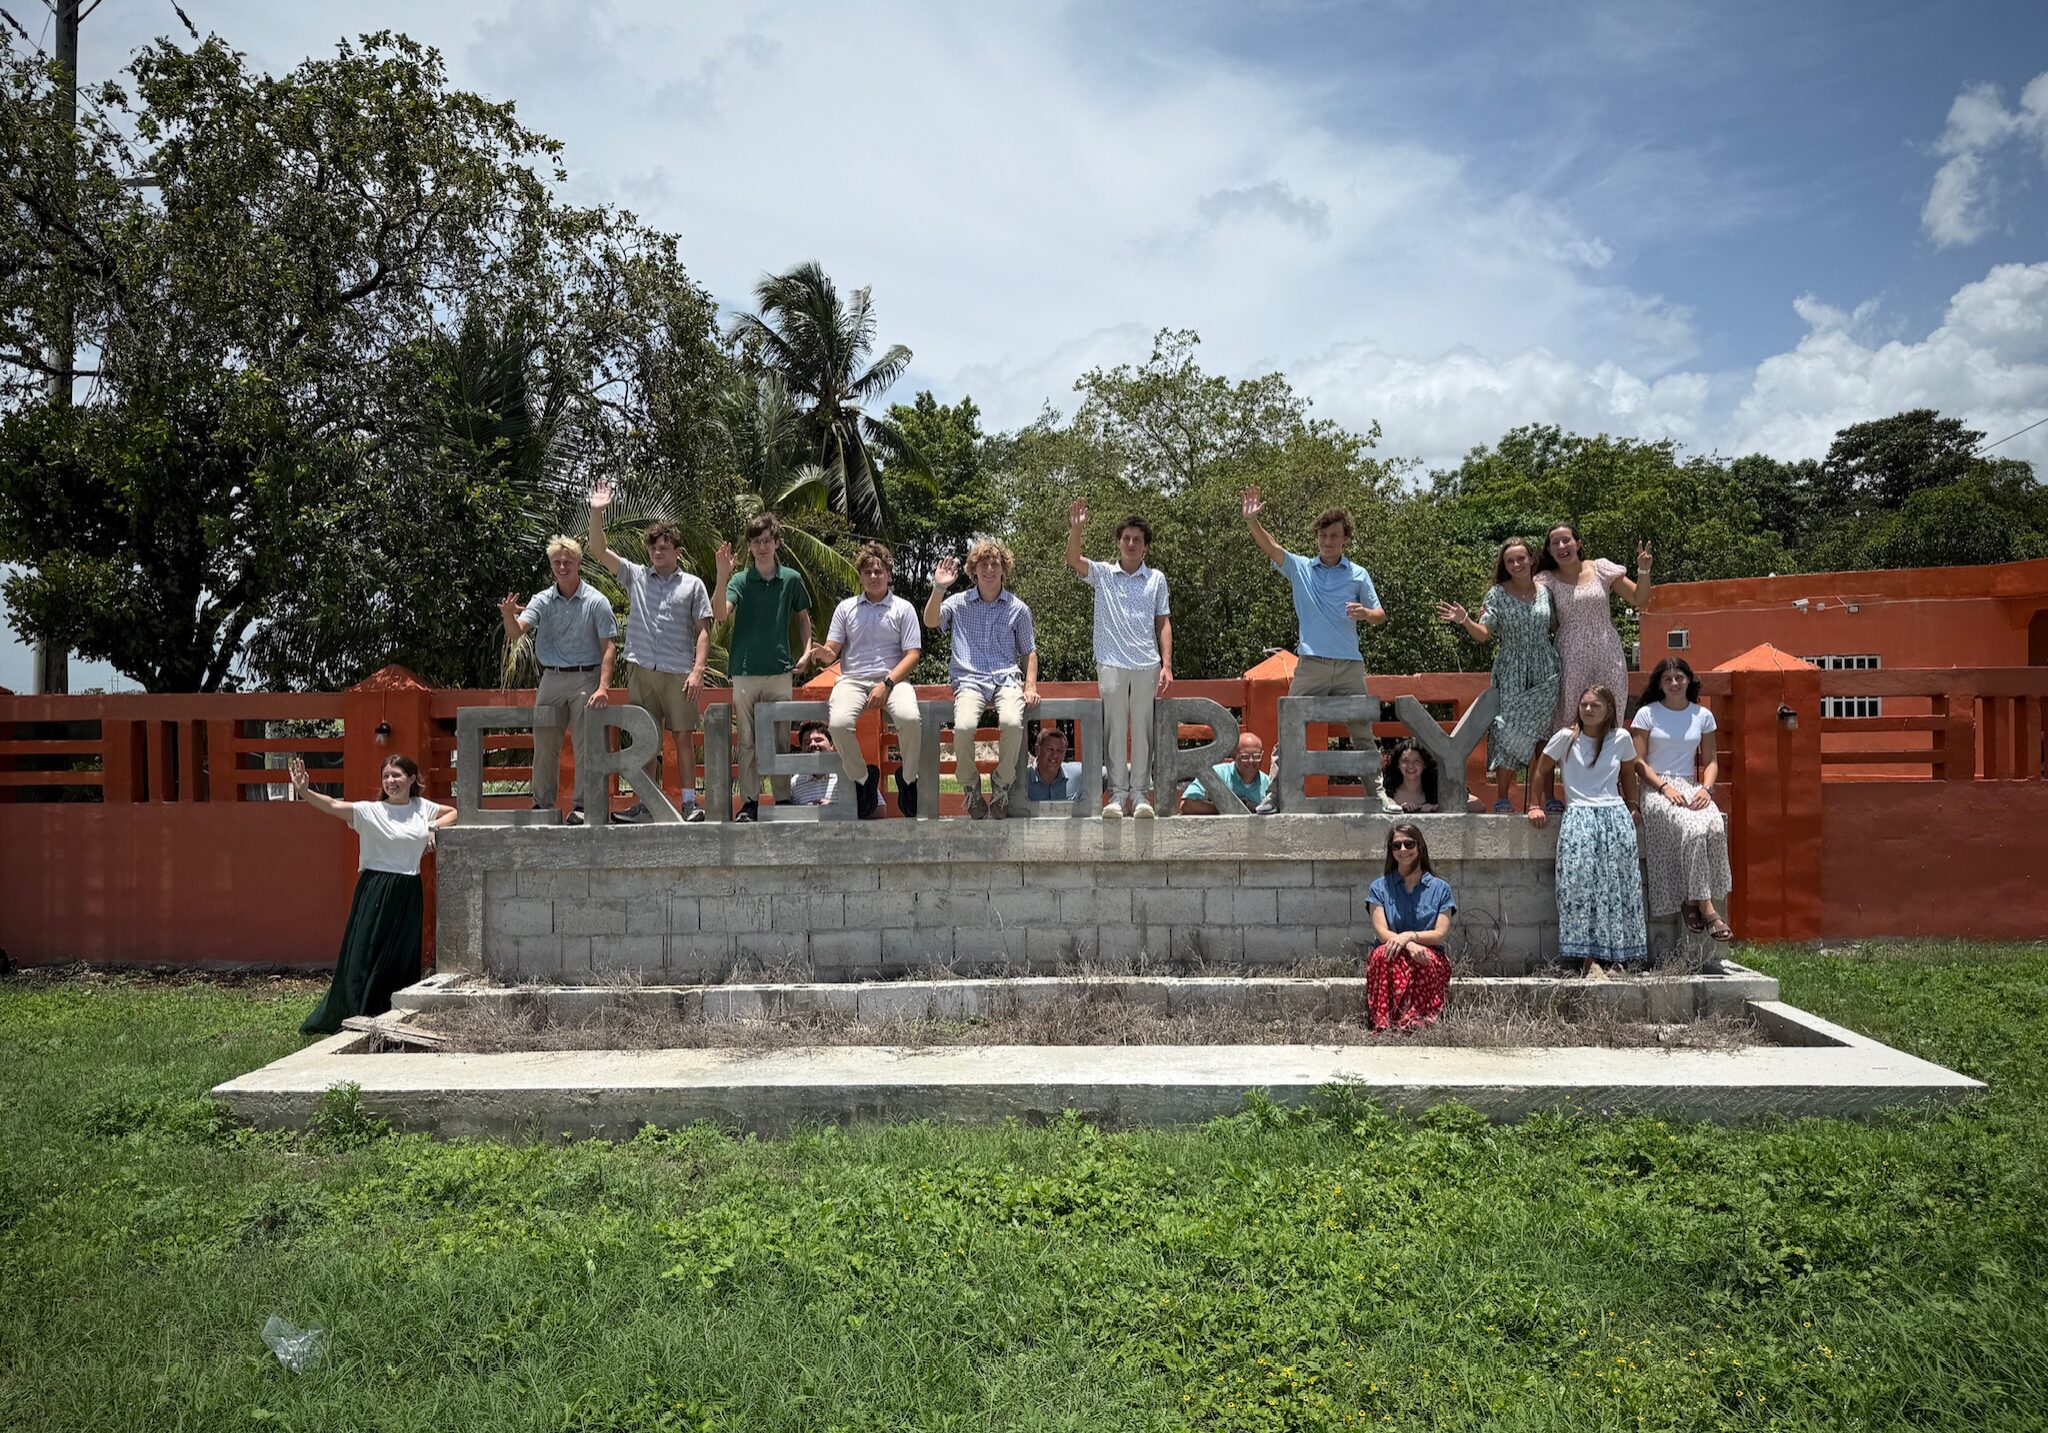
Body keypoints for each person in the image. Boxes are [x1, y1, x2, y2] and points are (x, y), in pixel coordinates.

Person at [291, 754, 456, 1035]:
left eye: (397, 775)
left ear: (412, 779)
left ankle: (394, 1013)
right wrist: (304, 791)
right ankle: (357, 1011)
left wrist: (434, 828)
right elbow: (332, 805)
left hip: (408, 890)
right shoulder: (370, 811)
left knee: (402, 954)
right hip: (375, 887)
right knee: (365, 952)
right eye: (386, 777)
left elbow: (453, 811)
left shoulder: (421, 807)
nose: (391, 782)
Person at [586, 480, 711, 823]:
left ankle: (690, 803)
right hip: (641, 668)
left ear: (678, 552)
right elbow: (598, 549)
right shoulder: (636, 576)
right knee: (645, 740)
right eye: (654, 546)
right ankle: (646, 806)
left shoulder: (693, 585)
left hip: (679, 672)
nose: (658, 551)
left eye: (666, 546)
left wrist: (698, 670)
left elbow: (704, 630)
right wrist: (597, 512)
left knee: (683, 738)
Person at [1242, 488, 1384, 748]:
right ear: (1316, 537)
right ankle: (1276, 790)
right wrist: (1252, 521)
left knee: (1363, 733)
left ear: (1345, 539)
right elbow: (1272, 548)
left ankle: (1376, 790)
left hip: (1349, 666)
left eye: (1334, 536)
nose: (1327, 541)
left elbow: (1379, 615)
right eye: (1323, 535)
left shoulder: (1358, 574)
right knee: (1290, 729)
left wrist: (1365, 613)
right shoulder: (1300, 568)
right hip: (1311, 664)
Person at [1528, 685, 1648, 977]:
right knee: (1579, 886)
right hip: (1579, 815)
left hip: (1614, 816)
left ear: (1608, 709)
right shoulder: (1565, 738)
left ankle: (1617, 957)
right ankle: (1588, 959)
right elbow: (1541, 769)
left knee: (1616, 888)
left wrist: (1633, 806)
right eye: (1584, 705)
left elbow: (1628, 773)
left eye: (1595, 705)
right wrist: (1534, 804)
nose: (1588, 710)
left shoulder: (1620, 738)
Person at [1436, 536, 1560, 813]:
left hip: (1545, 667)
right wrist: (1465, 620)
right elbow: (1484, 634)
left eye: (1521, 558)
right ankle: (1503, 796)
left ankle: (1547, 798)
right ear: (1504, 565)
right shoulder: (1497, 594)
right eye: (1510, 560)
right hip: (1511, 667)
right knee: (1508, 730)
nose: (1516, 564)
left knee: (1544, 735)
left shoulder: (1547, 591)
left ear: (1531, 559)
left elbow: (1558, 625)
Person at [1533, 523, 1652, 811]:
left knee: (1609, 722)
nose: (1561, 547)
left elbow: (1640, 599)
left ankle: (1618, 798)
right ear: (1549, 550)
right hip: (1570, 656)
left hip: (1606, 652)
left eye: (1566, 540)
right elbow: (1523, 597)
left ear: (1578, 543)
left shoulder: (1601, 569)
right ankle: (1555, 799)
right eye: (1554, 543)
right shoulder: (1546, 580)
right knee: (1569, 725)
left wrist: (1644, 569)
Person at [1065, 497, 1172, 818]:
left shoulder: (1156, 579)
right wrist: (1077, 529)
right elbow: (1072, 558)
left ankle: (1140, 796)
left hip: (1146, 664)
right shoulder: (1103, 574)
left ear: (1145, 548)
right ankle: (1116, 796)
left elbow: (1163, 622)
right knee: (1113, 729)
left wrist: (1167, 664)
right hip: (1110, 661)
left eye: (1137, 540)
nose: (1130, 543)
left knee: (1143, 731)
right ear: (1118, 543)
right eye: (1125, 538)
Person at [498, 536, 617, 825]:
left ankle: (583, 806)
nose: (562, 566)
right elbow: (517, 632)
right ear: (551, 565)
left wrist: (603, 687)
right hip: (551, 677)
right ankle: (542, 805)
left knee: (586, 745)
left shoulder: (596, 601)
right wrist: (507, 616)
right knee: (544, 744)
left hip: (585, 677)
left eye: (568, 561)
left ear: (579, 563)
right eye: (557, 562)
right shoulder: (542, 599)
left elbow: (609, 647)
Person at [924, 539, 1039, 819]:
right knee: (963, 727)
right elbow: (930, 621)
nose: (989, 569)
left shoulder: (1018, 608)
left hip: (1006, 677)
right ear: (973, 571)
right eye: (982, 564)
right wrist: (938, 588)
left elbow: (1029, 651)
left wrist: (1031, 685)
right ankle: (970, 785)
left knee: (1013, 722)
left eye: (995, 564)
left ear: (1004, 570)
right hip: (969, 679)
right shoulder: (958, 602)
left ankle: (1001, 783)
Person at [810, 542, 924, 819]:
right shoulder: (846, 608)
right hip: (852, 679)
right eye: (868, 571)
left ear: (889, 575)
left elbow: (913, 654)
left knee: (910, 719)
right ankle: (863, 778)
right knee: (837, 724)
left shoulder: (903, 608)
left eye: (879, 571)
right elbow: (832, 650)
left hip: (893, 679)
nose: (874, 576)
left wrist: (886, 684)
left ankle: (908, 779)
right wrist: (821, 652)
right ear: (860, 576)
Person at [713, 514, 815, 822]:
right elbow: (719, 614)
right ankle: (750, 802)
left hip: (780, 670)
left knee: (781, 738)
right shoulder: (740, 580)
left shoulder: (792, 579)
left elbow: (803, 617)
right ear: (749, 546)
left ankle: (782, 799)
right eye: (756, 542)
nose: (762, 547)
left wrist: (808, 651)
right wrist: (721, 576)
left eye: (767, 541)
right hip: (744, 671)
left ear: (777, 543)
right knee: (747, 740)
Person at [1631, 657, 1734, 942]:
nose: (1674, 683)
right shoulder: (1647, 714)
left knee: (1713, 826)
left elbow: (1711, 760)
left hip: (1691, 786)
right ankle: (1707, 907)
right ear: (1659, 684)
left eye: (1679, 677)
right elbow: (1638, 762)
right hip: (1656, 787)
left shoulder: (1702, 715)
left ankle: (1693, 899)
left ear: (1689, 680)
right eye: (1667, 679)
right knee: (1692, 828)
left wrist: (1706, 789)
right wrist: (1664, 787)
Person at [1363, 822, 1455, 1031]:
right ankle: (1385, 1022)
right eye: (1397, 846)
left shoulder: (1441, 889)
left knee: (1427, 958)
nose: (1403, 850)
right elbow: (1381, 931)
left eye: (1409, 844)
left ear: (1419, 846)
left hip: (1427, 951)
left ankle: (1419, 1021)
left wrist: (1408, 937)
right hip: (1391, 948)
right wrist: (1407, 944)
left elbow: (1439, 934)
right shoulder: (1379, 887)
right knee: (1381, 955)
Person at [1179, 731, 1277, 815]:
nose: (1251, 761)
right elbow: (1187, 805)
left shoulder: (1268, 784)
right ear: (1234, 755)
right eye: (1245, 757)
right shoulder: (1216, 774)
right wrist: (1230, 807)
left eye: (1256, 756)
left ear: (1262, 756)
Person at [1024, 724, 1088, 803]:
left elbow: (1106, 774)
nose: (1054, 755)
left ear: (1064, 754)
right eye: (1050, 749)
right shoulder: (1022, 779)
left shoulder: (1078, 773)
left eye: (1059, 750)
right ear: (1037, 750)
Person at [1378, 738, 1440, 813]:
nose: (1410, 766)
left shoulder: (1438, 793)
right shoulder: (1386, 794)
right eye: (1405, 761)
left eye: (1416, 761)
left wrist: (1436, 808)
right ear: (1398, 764)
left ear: (1425, 765)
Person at [788, 721, 839, 807]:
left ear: (831, 745)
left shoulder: (843, 777)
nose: (813, 744)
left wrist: (833, 808)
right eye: (807, 742)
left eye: (818, 740)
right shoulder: (795, 783)